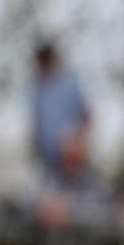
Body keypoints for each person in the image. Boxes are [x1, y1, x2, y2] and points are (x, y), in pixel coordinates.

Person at [31, 43, 89, 175]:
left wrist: (75, 140)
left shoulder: (69, 84)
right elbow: (36, 123)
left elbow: (85, 114)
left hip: (71, 158)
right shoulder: (37, 89)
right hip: (46, 158)